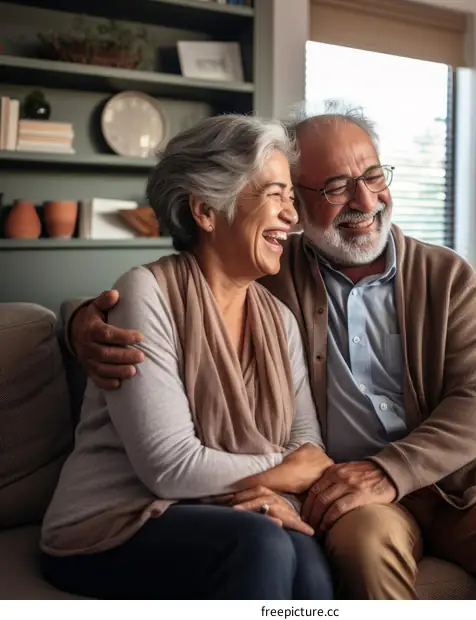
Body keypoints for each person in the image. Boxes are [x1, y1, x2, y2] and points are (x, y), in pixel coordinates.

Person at [67, 101, 476, 600]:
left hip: (463, 480)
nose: (365, 201)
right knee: (363, 555)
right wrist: (82, 321)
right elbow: (195, 272)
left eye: (372, 176)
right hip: (345, 489)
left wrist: (390, 471)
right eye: (338, 186)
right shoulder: (272, 272)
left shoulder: (446, 276)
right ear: (299, 200)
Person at [39, 114, 335, 601]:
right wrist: (284, 474)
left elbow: (308, 447)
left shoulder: (279, 319)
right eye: (275, 194)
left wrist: (274, 494)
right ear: (205, 210)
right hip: (111, 522)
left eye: (291, 197)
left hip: (223, 512)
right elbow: (170, 468)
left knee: (309, 563)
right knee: (263, 546)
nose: (293, 216)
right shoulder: (144, 292)